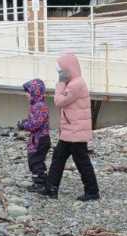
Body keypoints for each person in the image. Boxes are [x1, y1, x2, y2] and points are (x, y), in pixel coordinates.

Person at [40, 53, 100, 201]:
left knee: (81, 161)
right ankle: (51, 189)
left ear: (69, 68)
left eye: (61, 69)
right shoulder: (74, 82)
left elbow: (59, 101)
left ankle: (92, 192)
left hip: (75, 131)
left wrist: (60, 83)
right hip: (71, 130)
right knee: (59, 158)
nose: (60, 72)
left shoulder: (75, 84)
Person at [17, 79, 51, 192]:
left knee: (36, 161)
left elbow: (35, 124)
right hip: (37, 138)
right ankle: (39, 182)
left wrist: (24, 125)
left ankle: (41, 183)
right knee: (34, 160)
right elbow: (33, 120)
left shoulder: (40, 106)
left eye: (27, 92)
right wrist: (25, 121)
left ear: (34, 92)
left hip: (40, 139)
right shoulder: (36, 105)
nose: (26, 94)